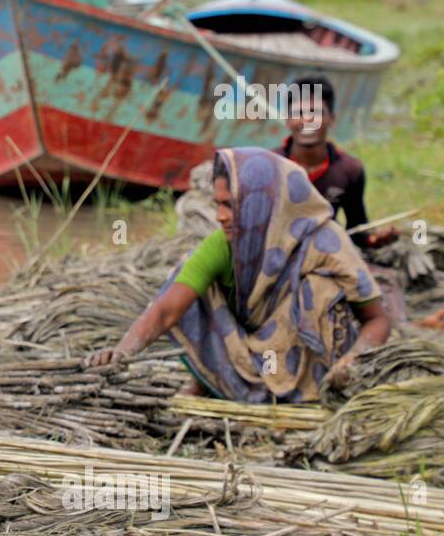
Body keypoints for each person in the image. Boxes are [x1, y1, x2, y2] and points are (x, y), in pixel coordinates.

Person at [85, 147, 390, 402]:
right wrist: (121, 352)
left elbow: (377, 319)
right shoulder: (223, 244)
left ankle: (306, 394)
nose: (220, 217)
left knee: (318, 288)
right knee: (191, 285)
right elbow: (166, 309)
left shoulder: (325, 242)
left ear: (264, 202)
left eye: (231, 206)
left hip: (319, 372)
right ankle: (216, 381)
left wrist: (352, 362)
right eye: (217, 205)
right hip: (250, 359)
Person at [280, 75, 398, 250]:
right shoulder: (271, 165)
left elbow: (357, 230)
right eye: (299, 114)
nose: (307, 121)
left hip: (325, 254)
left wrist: (375, 240)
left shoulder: (349, 170)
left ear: (332, 119)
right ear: (288, 120)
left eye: (316, 113)